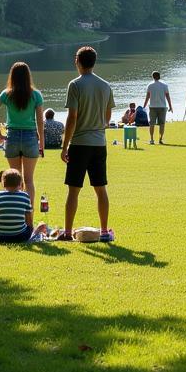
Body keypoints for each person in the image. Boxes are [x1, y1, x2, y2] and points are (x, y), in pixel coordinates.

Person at [61, 46, 115, 241]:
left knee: (74, 189)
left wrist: (65, 145)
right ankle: (104, 231)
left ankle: (67, 232)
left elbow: (72, 117)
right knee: (101, 188)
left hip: (79, 143)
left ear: (78, 61)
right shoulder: (105, 85)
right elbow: (108, 117)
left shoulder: (75, 85)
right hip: (99, 144)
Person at [0, 61, 45, 200]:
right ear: (28, 76)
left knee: (15, 181)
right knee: (29, 181)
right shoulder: (36, 95)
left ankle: (17, 214)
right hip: (30, 138)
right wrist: (42, 143)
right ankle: (29, 217)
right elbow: (39, 122)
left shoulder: (6, 94)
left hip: (12, 137)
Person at [0, 168, 33, 243]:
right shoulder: (25, 196)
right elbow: (29, 219)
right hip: (21, 236)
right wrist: (30, 229)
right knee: (30, 228)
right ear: (20, 183)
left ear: (3, 183)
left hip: (0, 236)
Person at [143, 71, 173, 145]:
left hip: (152, 107)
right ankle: (160, 139)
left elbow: (147, 96)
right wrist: (170, 106)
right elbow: (167, 96)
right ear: (159, 76)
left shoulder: (150, 85)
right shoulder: (164, 85)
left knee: (152, 124)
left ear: (153, 77)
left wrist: (144, 106)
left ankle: (152, 139)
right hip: (162, 107)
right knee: (162, 124)